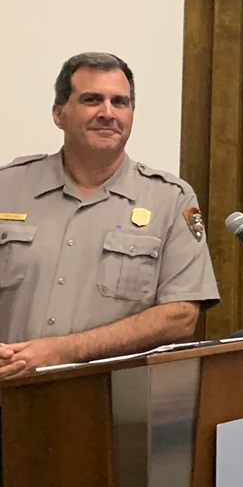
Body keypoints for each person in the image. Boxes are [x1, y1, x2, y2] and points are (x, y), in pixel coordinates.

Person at [0, 52, 218, 379]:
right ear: (59, 113)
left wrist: (64, 350)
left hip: (115, 405)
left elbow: (180, 316)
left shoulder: (170, 199)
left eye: (120, 102)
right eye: (92, 100)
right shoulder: (8, 185)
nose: (107, 113)